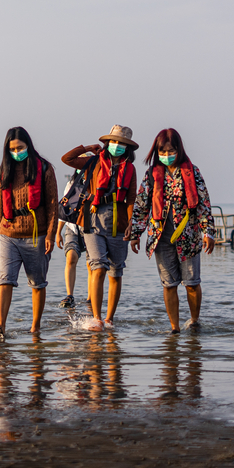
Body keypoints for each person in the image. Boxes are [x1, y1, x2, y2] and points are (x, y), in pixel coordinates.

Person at [129, 129, 215, 333]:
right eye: (163, 151)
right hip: (161, 237)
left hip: (189, 236)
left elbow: (203, 203)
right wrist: (135, 234)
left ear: (179, 150)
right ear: (156, 151)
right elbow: (141, 204)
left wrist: (208, 232)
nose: (167, 155)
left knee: (192, 283)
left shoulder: (192, 171)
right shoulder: (151, 174)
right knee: (169, 284)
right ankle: (174, 328)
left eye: (171, 151)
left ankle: (194, 321)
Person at [62, 125, 139, 331]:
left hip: (118, 222)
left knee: (116, 271)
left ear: (127, 147)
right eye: (113, 141)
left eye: (121, 143)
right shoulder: (93, 161)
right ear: (107, 143)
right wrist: (86, 147)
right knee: (98, 266)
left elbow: (131, 199)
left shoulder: (130, 169)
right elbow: (67, 159)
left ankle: (109, 318)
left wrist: (133, 226)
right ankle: (96, 318)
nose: (117, 145)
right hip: (91, 218)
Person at [0, 127, 58, 342]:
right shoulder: (4, 171)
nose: (16, 152)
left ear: (28, 145)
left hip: (36, 235)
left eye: (20, 148)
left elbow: (53, 205)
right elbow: (0, 204)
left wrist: (50, 235)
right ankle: (1, 326)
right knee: (5, 280)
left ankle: (35, 328)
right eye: (12, 149)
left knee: (37, 283)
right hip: (8, 233)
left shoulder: (44, 169)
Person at [56, 167, 89, 308]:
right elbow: (65, 209)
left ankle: (91, 297)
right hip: (72, 227)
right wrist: (58, 233)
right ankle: (69, 295)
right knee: (71, 257)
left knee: (91, 264)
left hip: (90, 228)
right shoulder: (71, 185)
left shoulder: (96, 182)